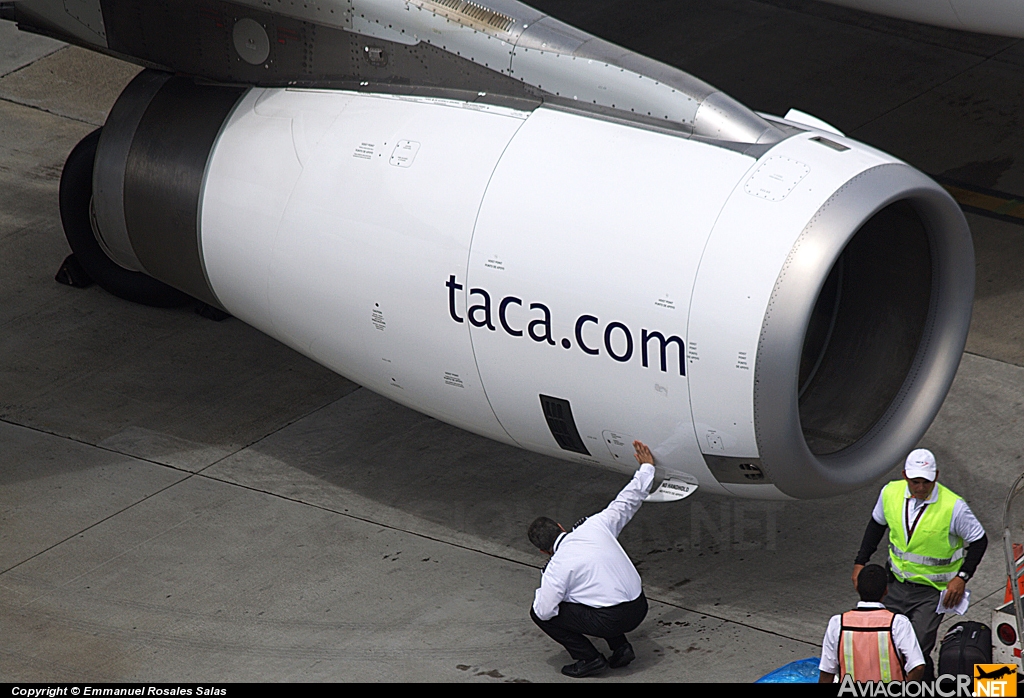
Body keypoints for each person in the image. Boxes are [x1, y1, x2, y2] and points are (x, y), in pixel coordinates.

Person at [852, 449, 987, 679]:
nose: (921, 487)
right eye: (915, 482)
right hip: (894, 585)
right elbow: (876, 525)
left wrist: (961, 577)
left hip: (932, 593)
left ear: (936, 477)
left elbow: (979, 540)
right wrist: (860, 562)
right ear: (905, 476)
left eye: (926, 481)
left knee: (916, 647)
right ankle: (925, 681)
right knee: (886, 642)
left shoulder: (954, 506)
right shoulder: (890, 493)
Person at [527, 440, 656, 678]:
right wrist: (647, 468)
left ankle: (589, 658)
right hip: (640, 606)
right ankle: (621, 648)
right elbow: (626, 502)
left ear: (543, 551)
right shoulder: (595, 525)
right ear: (560, 526)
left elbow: (544, 611)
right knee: (592, 592)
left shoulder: (557, 566)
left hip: (612, 618)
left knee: (540, 613)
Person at [819, 564, 925, 683]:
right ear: (886, 590)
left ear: (857, 587)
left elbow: (827, 671)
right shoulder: (898, 623)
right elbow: (918, 666)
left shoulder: (838, 623)